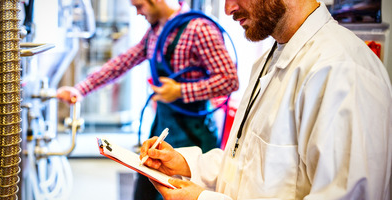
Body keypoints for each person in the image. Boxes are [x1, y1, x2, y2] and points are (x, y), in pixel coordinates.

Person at [138, 0, 392, 199]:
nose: (228, 9)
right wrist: (186, 164)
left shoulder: (341, 70)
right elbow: (247, 165)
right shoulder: (269, 59)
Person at [56, 0, 239, 199]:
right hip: (163, 126)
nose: (137, 13)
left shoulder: (199, 28)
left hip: (195, 132)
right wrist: (80, 90)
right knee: (146, 192)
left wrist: (180, 90)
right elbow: (123, 62)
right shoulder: (156, 31)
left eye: (139, 6)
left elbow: (230, 81)